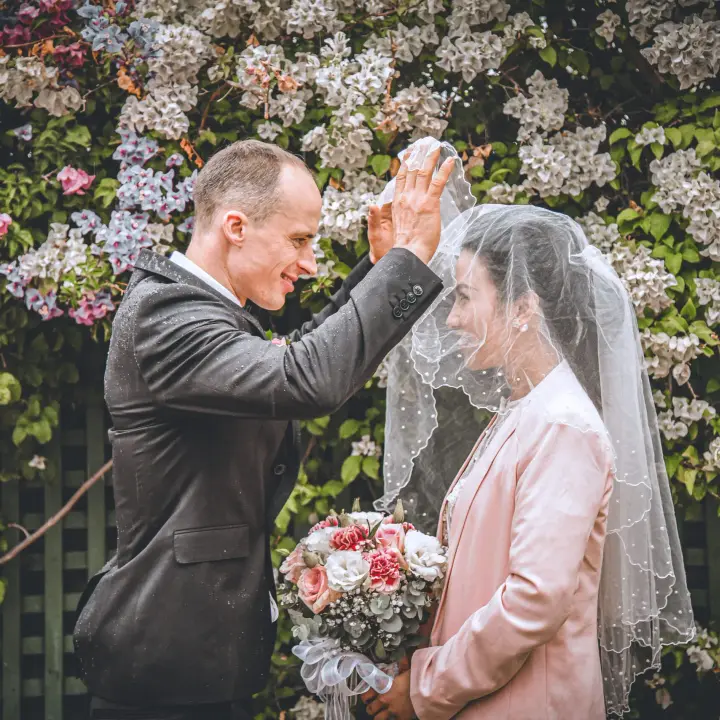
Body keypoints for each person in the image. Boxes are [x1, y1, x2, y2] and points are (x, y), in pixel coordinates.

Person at [73, 139, 455, 720]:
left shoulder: (207, 312)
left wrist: (378, 271)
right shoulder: (166, 316)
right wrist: (408, 262)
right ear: (235, 226)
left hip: (199, 662)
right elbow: (308, 380)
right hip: (164, 668)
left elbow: (294, 363)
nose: (309, 262)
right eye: (299, 240)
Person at [362, 141, 695, 720]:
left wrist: (426, 687)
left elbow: (534, 602)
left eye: (465, 298)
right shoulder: (526, 410)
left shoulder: (563, 425)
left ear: (523, 308)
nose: (454, 318)